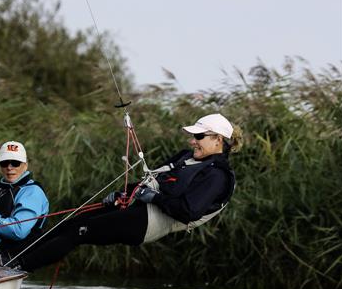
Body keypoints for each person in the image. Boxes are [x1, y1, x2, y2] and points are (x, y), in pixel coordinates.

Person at [16, 113, 240, 272]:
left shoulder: (217, 176)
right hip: (139, 207)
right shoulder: (186, 157)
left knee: (80, 232)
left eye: (199, 137)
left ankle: (18, 268)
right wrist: (123, 193)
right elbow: (152, 181)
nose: (193, 141)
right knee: (70, 223)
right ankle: (12, 256)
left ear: (218, 139)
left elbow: (188, 211)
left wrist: (154, 198)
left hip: (149, 223)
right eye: (193, 136)